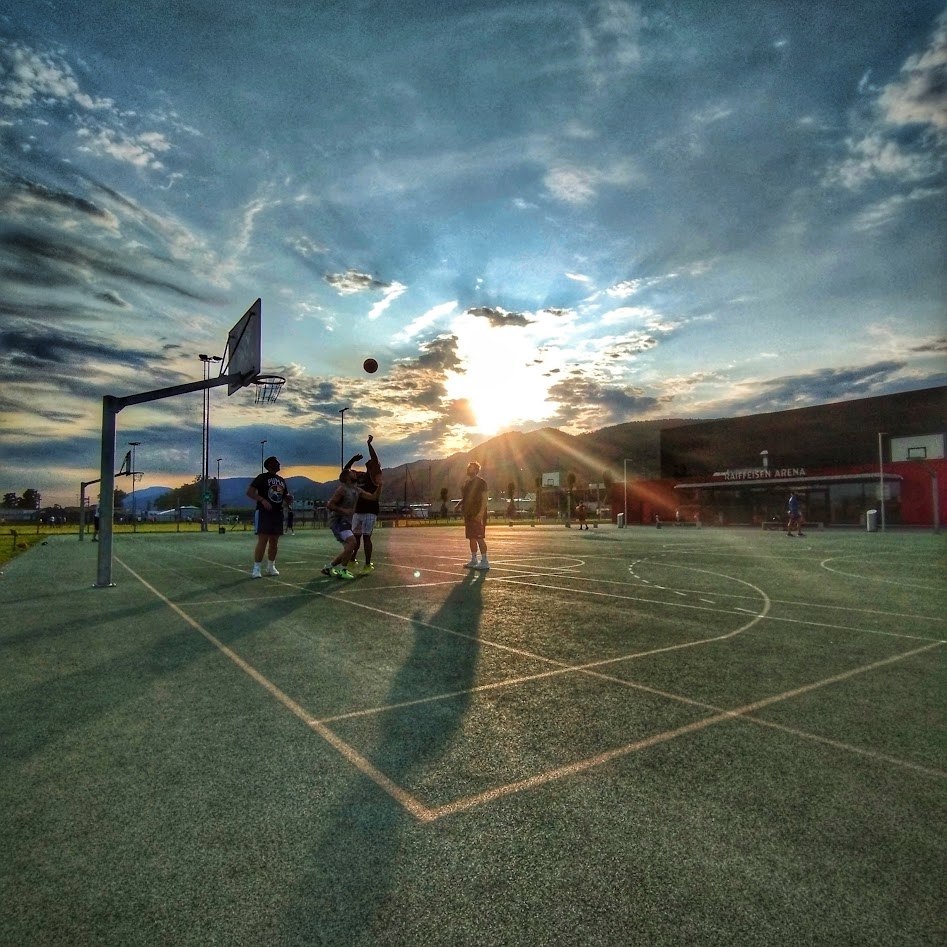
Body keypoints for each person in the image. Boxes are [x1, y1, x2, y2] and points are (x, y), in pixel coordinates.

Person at [322, 466, 383, 579]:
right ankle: (343, 570)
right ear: (346, 478)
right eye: (351, 473)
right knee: (352, 543)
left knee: (350, 547)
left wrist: (380, 485)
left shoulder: (357, 490)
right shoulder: (342, 489)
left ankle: (328, 567)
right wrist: (344, 510)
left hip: (346, 521)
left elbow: (374, 497)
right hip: (338, 521)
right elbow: (330, 505)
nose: (355, 473)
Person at [246, 456, 293, 578]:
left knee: (274, 541)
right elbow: (250, 492)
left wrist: (288, 499)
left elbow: (284, 497)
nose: (279, 464)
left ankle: (271, 566)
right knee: (263, 539)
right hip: (264, 512)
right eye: (276, 462)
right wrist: (262, 500)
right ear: (270, 465)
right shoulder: (262, 478)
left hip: (277, 512)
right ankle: (256, 568)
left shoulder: (281, 480)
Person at [350, 435, 381, 572]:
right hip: (366, 511)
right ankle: (366, 565)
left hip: (361, 511)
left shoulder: (365, 476)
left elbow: (345, 471)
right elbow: (345, 473)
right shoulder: (366, 476)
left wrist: (353, 459)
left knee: (358, 537)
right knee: (365, 538)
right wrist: (368, 445)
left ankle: (354, 561)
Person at [459, 461, 489, 570]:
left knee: (479, 537)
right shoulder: (466, 483)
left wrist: (481, 513)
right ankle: (474, 559)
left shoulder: (481, 482)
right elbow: (465, 498)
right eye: (468, 467)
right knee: (471, 537)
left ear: (476, 470)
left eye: (471, 468)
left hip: (478, 514)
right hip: (469, 515)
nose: (469, 469)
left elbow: (485, 498)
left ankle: (485, 561)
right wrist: (459, 505)